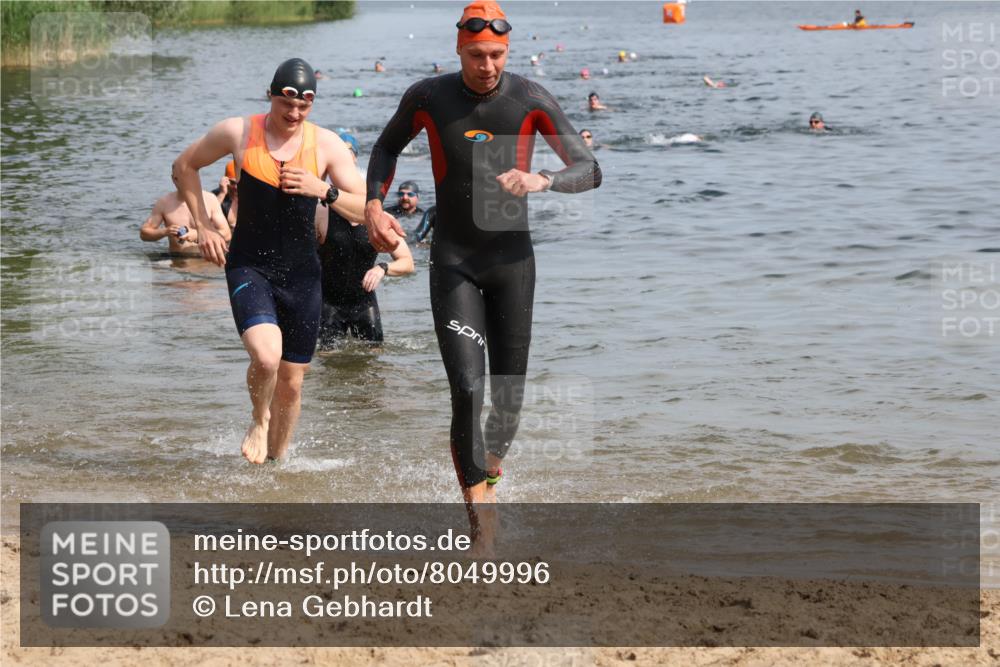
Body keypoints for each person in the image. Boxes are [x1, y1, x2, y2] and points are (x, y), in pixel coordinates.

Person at [364, 1, 601, 541]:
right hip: (453, 262)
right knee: (468, 389)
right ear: (458, 48)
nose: (487, 65)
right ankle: (483, 529)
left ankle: (487, 469)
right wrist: (374, 206)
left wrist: (544, 180)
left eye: (495, 55)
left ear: (507, 51)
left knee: (508, 396)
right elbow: (384, 146)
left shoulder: (530, 98)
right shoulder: (429, 96)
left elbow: (590, 169)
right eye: (476, 54)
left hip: (512, 262)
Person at [172, 58, 366, 465]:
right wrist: (206, 226)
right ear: (272, 96)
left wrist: (322, 190)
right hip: (249, 265)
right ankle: (258, 419)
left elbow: (367, 209)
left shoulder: (326, 145)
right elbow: (184, 167)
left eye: (304, 106)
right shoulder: (239, 131)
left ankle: (277, 468)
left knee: (292, 383)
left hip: (302, 274)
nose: (294, 113)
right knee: (265, 357)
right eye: (287, 104)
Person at [316, 140, 414, 346]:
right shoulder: (322, 213)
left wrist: (383, 268)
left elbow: (407, 262)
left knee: (373, 363)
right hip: (327, 304)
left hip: (365, 304)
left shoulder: (379, 218)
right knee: (328, 367)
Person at [140, 175, 231, 257]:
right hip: (178, 259)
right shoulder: (164, 203)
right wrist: (164, 231)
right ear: (174, 179)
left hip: (205, 259)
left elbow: (227, 234)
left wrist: (197, 235)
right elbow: (144, 234)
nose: (186, 182)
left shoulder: (210, 199)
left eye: (189, 177)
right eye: (179, 178)